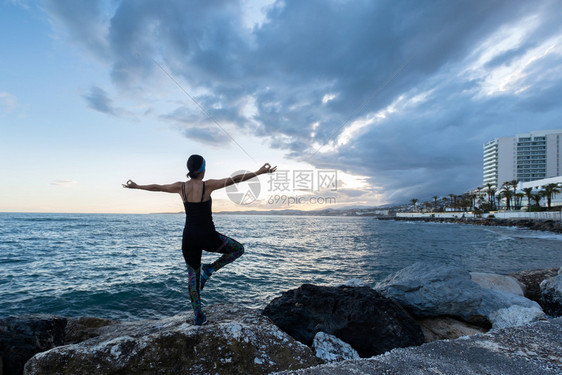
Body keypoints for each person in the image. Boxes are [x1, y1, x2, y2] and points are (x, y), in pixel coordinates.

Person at [123, 155, 276, 325]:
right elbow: (235, 180)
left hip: (189, 239)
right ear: (202, 169)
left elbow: (157, 187)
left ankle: (198, 316)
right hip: (208, 236)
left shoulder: (180, 187)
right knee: (238, 249)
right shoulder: (208, 185)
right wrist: (259, 172)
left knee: (192, 278)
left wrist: (137, 187)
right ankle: (210, 269)